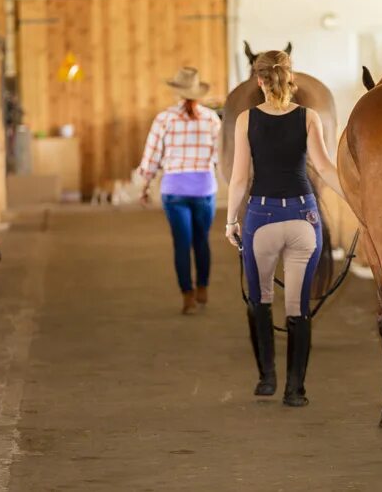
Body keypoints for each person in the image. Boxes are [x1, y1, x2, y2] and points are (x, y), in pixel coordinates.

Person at [225, 50, 344, 407]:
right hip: (304, 218)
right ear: (291, 77)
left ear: (259, 80)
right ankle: (296, 390)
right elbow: (324, 168)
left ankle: (267, 379)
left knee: (259, 298)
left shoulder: (246, 119)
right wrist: (358, 200)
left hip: (261, 218)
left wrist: (231, 221)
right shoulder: (309, 117)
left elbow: (240, 178)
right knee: (297, 305)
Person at [138, 67, 221, 315]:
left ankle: (188, 297)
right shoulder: (212, 119)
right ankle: (203, 287)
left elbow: (152, 157)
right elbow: (219, 157)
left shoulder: (164, 119)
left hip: (174, 189)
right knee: (202, 240)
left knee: (182, 244)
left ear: (177, 93)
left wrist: (145, 185)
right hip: (204, 188)